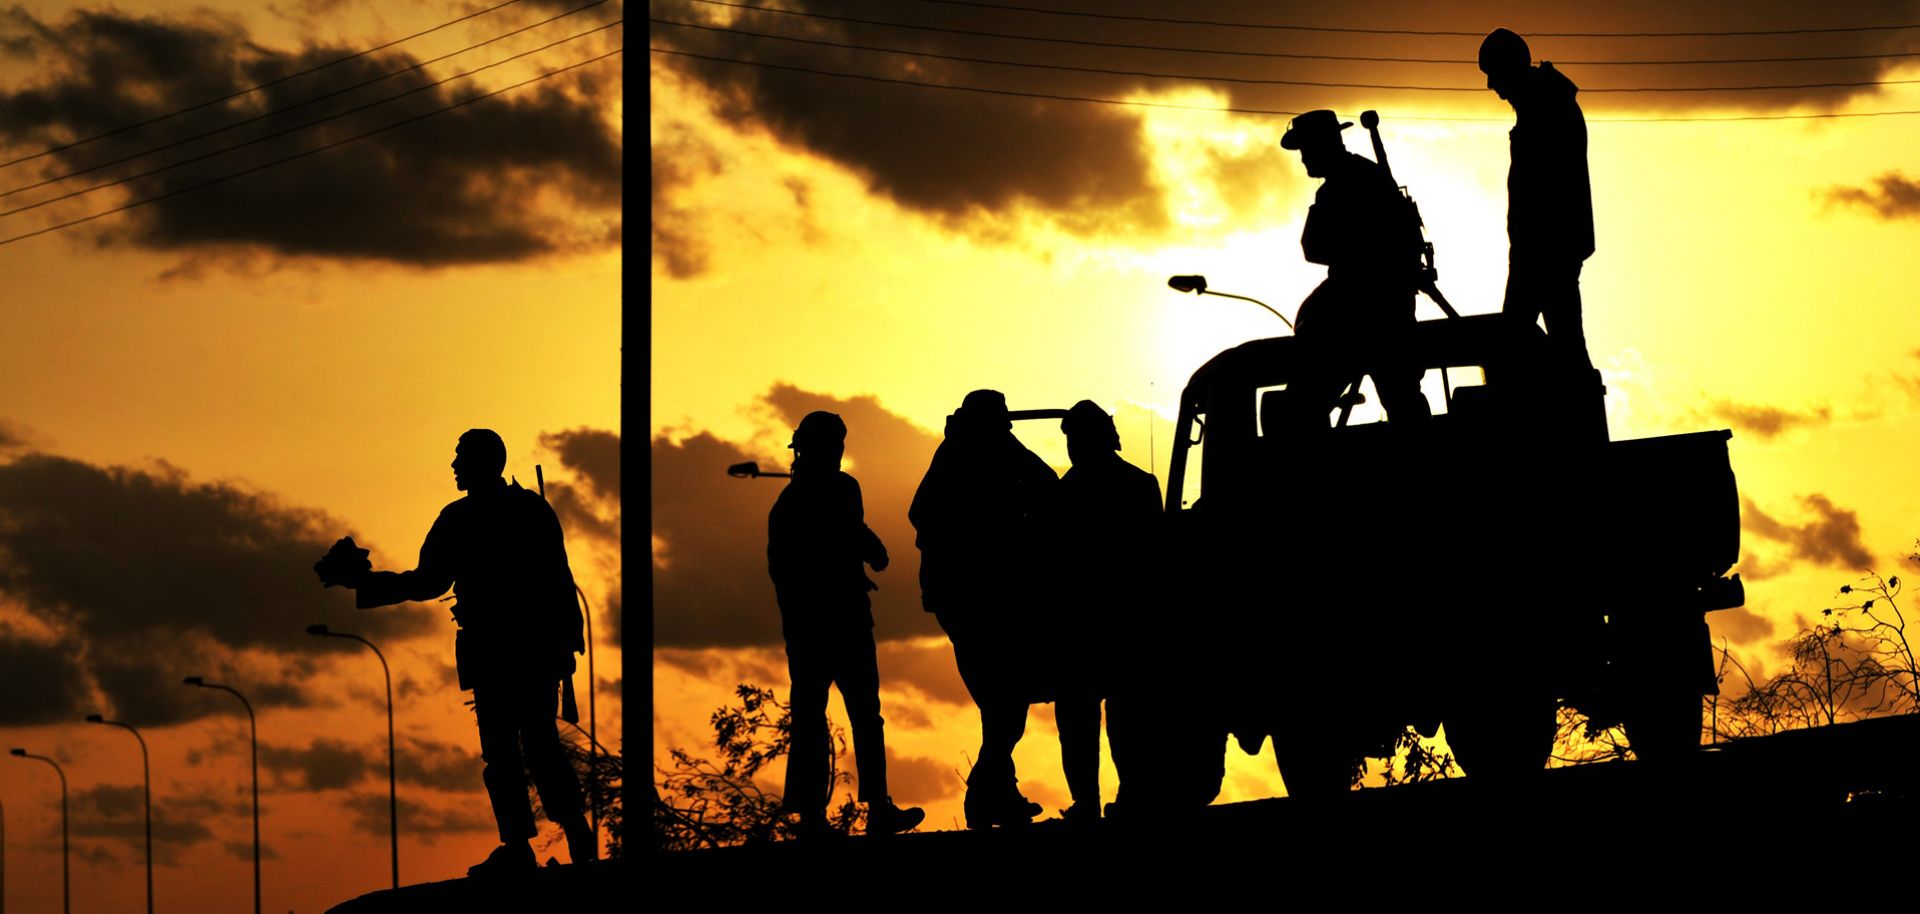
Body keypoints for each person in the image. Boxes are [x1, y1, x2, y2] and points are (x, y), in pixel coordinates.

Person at [313, 429, 591, 877]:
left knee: (517, 750)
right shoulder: (522, 510)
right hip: (521, 648)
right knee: (524, 748)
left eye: (461, 457)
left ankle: (542, 840)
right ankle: (550, 837)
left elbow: (432, 583)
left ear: (485, 462)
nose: (454, 466)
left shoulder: (467, 517)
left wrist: (361, 582)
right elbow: (557, 580)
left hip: (510, 648)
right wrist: (363, 582)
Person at [766, 410, 926, 838]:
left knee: (842, 716)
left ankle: (860, 811)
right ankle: (831, 814)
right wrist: (863, 553)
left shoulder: (812, 497)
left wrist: (868, 549)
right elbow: (793, 566)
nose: (838, 452)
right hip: (829, 625)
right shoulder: (812, 498)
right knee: (832, 717)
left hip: (824, 626)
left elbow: (851, 532)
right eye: (833, 445)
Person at [909, 389, 1058, 828]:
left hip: (973, 597)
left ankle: (999, 795)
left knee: (999, 700)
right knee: (1006, 701)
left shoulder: (965, 450)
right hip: (977, 598)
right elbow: (1046, 487)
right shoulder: (971, 452)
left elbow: (1041, 487)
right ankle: (984, 794)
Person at [1279, 109, 1431, 430]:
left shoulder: (1339, 188)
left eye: (1306, 149)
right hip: (1391, 308)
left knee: (1301, 408)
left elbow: (1313, 246)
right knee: (1405, 402)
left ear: (1323, 145)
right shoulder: (1368, 176)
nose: (1304, 159)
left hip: (1356, 314)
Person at [1048, 401, 1162, 824]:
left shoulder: (1067, 493)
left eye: (1076, 437)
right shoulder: (1139, 485)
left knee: (1094, 721)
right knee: (1117, 718)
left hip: (1097, 625)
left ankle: (1098, 801)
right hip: (1117, 624)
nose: (1073, 446)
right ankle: (1120, 796)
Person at [1479, 28, 1598, 376]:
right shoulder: (1546, 102)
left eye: (1493, 75)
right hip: (1545, 248)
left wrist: (1534, 242)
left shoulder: (1546, 107)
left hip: (1544, 249)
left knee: (1517, 344)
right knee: (1560, 343)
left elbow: (1546, 185)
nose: (1491, 87)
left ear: (1510, 68)